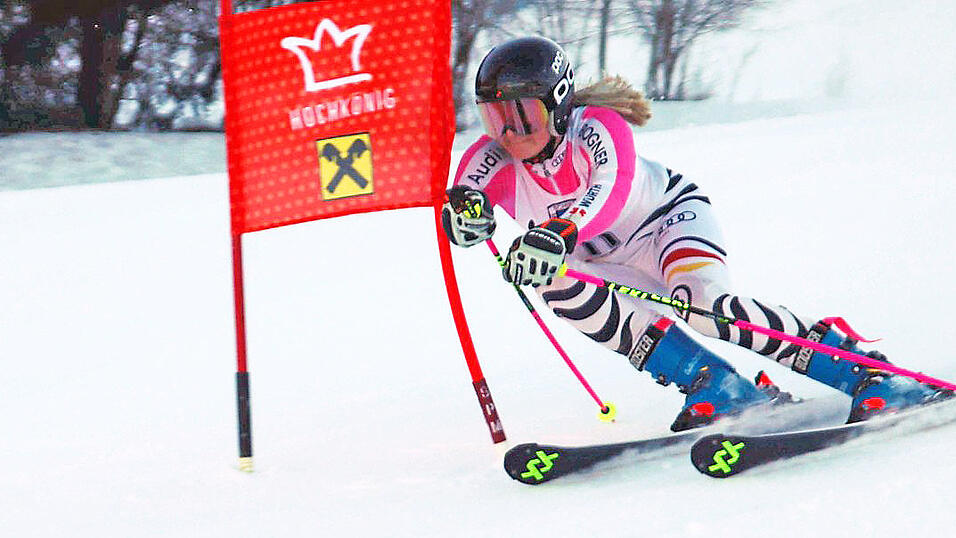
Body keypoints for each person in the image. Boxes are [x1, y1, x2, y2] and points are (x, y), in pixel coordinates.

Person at [441, 36, 947, 431]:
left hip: (667, 224)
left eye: (521, 116)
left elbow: (610, 189)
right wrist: (463, 222)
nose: (508, 133)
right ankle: (715, 384)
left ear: (557, 105)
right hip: (600, 258)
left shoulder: (595, 127)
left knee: (706, 309)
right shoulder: (491, 158)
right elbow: (464, 207)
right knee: (551, 280)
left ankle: (864, 370)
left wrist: (558, 230)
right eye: (494, 117)